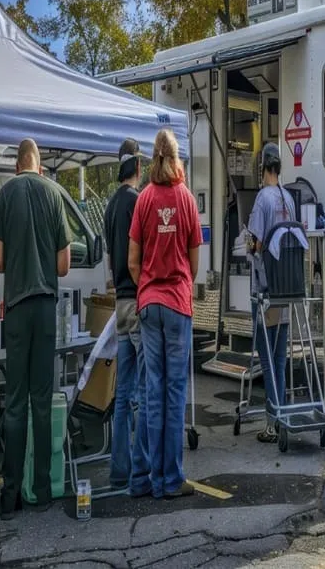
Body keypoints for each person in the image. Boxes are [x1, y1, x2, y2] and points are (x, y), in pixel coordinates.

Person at [0, 139, 71, 520]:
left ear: (16, 165)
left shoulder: (6, 194)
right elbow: (64, 265)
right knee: (42, 398)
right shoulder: (54, 194)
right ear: (39, 166)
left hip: (18, 308)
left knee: (16, 401)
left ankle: (10, 496)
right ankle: (42, 490)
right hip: (46, 308)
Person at [128, 129, 201, 498]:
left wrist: (146, 286)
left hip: (149, 303)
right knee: (174, 393)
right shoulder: (186, 199)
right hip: (177, 303)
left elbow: (132, 261)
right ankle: (171, 480)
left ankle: (146, 479)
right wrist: (179, 281)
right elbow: (194, 262)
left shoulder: (143, 200)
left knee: (150, 392)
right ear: (176, 158)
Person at [104, 138, 150, 494]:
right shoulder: (137, 202)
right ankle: (142, 466)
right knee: (143, 390)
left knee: (122, 393)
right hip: (137, 298)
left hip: (119, 302)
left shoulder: (109, 207)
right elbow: (143, 254)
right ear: (137, 167)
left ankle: (118, 468)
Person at [247, 143, 297, 443]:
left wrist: (248, 243)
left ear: (263, 166)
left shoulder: (262, 199)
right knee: (279, 359)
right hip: (286, 290)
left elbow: (256, 243)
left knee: (266, 361)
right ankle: (281, 417)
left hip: (265, 291)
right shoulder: (288, 198)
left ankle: (272, 423)